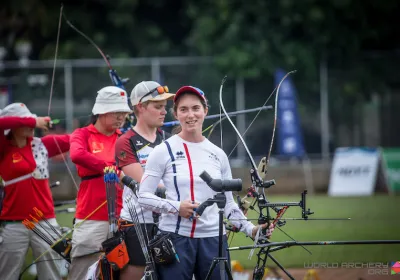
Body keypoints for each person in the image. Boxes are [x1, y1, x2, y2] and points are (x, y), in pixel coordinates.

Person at [138, 86, 275, 280]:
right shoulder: (162, 151)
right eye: (183, 109)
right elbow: (143, 197)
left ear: (205, 111)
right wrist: (177, 207)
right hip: (175, 239)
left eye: (195, 108)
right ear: (176, 114)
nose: (190, 115)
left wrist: (251, 230)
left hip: (214, 241)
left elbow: (228, 204)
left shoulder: (218, 154)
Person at [68, 86, 132, 280]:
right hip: (91, 216)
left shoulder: (124, 138)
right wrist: (111, 167)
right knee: (83, 269)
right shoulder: (83, 134)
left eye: (124, 113)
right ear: (101, 111)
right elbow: (77, 154)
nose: (122, 117)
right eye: (117, 112)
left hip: (123, 216)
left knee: (123, 270)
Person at [0, 103, 70, 280]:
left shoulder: (42, 145)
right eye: (26, 122)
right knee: (7, 274)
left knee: (51, 275)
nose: (32, 126)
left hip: (43, 218)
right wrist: (34, 120)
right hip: (14, 221)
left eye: (31, 121)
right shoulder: (3, 147)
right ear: (13, 126)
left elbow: (74, 139)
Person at [115, 81, 175, 280]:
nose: (163, 112)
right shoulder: (126, 141)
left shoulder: (167, 139)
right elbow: (146, 186)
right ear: (140, 107)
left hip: (166, 221)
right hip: (136, 223)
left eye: (164, 107)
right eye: (157, 107)